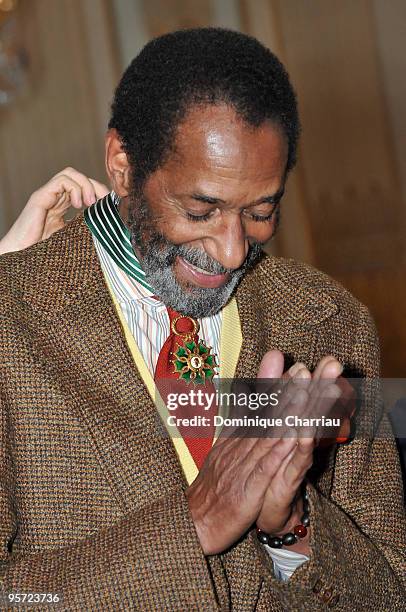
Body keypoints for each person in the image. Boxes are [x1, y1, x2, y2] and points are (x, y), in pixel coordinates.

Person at [0, 28, 404, 611]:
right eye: (200, 210)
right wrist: (194, 525)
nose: (233, 250)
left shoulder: (330, 322)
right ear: (122, 164)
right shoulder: (14, 316)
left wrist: (290, 530)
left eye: (262, 212)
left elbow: (388, 596)